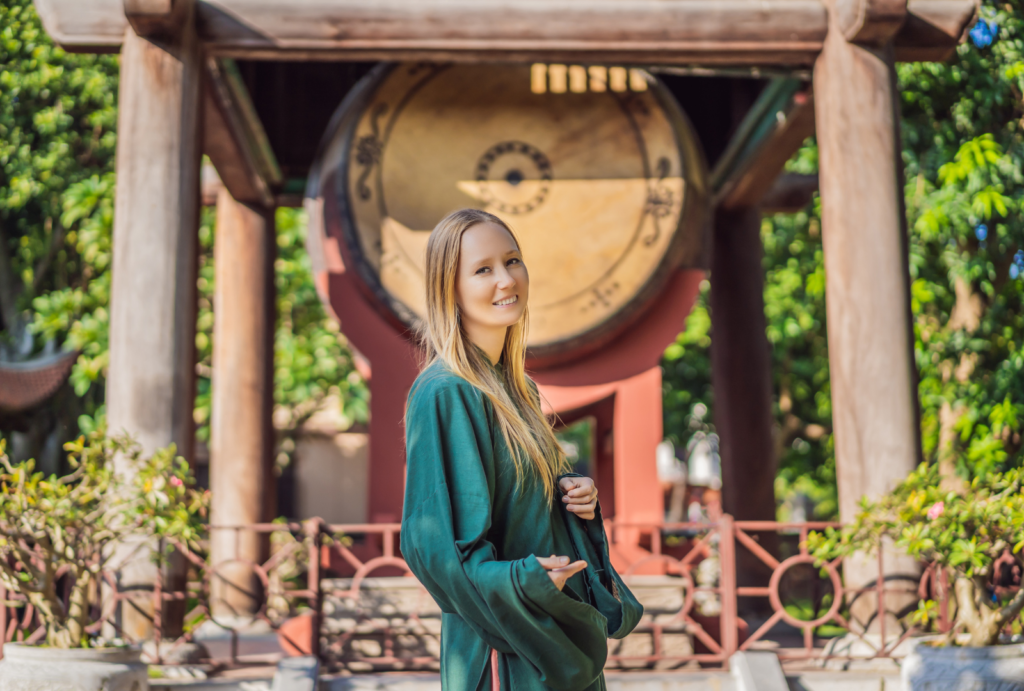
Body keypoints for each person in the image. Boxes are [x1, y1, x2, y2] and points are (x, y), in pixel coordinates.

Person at [401, 209, 642, 691]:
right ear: (449, 287)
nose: (506, 279)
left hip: (553, 636)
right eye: (483, 269)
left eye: (512, 260)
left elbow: (521, 511)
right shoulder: (447, 393)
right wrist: (524, 581)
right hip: (503, 652)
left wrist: (573, 498)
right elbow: (437, 550)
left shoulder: (520, 391)